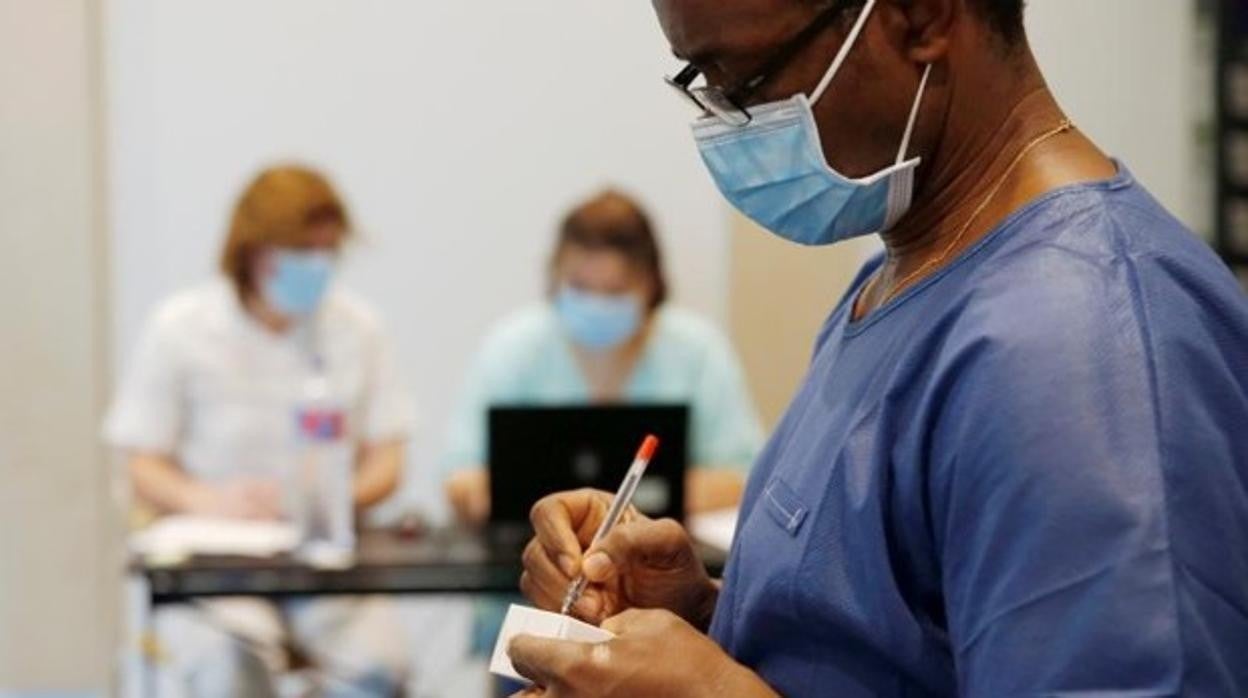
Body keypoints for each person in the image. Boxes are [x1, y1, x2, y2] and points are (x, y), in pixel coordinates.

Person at [508, 1, 1248, 696]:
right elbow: (905, 641)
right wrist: (704, 617)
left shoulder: (1082, 344)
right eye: (702, 81)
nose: (730, 123)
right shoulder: (906, 276)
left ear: (919, 15)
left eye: (747, 79)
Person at [105, 165, 414, 697]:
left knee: (378, 667)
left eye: (326, 251)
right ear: (251, 252)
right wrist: (205, 499)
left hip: (325, 561)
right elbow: (141, 462)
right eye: (299, 252)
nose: (314, 267)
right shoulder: (181, 327)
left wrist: (326, 498)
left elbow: (387, 461)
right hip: (216, 566)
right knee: (231, 666)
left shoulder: (357, 329)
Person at [442, 189, 764, 524]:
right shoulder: (512, 348)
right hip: (527, 553)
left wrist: (615, 506)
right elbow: (460, 477)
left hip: (661, 553)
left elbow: (743, 476)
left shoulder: (698, 350)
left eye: (614, 291)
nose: (596, 303)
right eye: (580, 287)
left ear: (651, 283)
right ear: (555, 275)